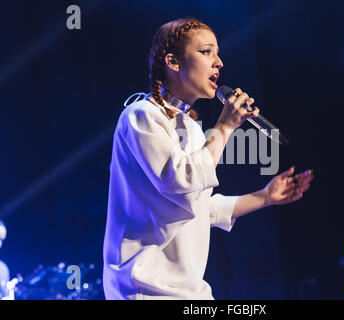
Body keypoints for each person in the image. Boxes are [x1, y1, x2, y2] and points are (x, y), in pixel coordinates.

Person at [102, 18, 314, 300]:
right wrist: (225, 128)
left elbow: (200, 205)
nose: (219, 63)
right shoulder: (141, 115)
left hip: (190, 292)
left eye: (217, 52)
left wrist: (265, 196)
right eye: (206, 52)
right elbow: (179, 179)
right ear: (173, 62)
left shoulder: (190, 126)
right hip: (145, 287)